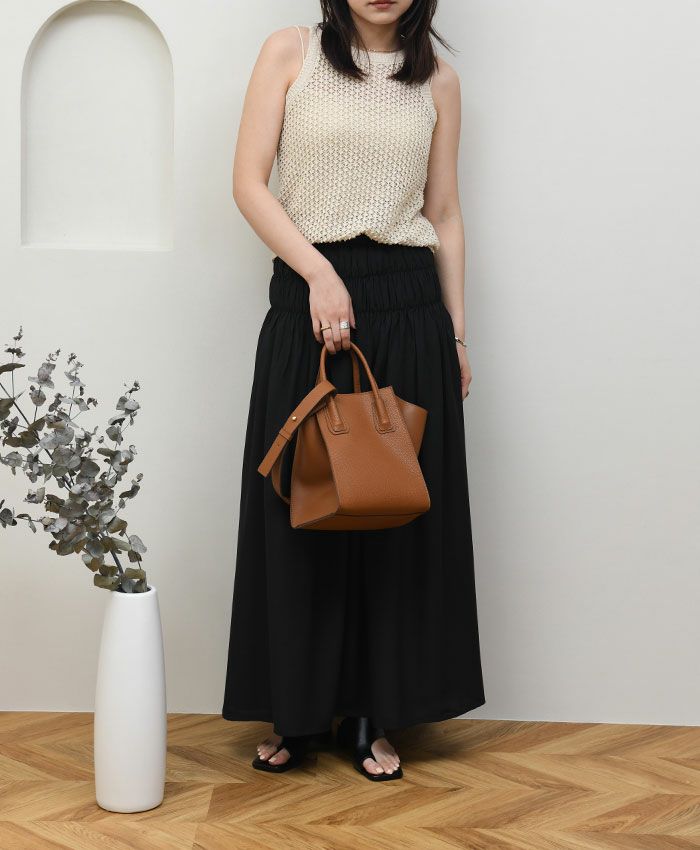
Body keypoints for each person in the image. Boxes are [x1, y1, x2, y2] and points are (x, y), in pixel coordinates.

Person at [222, 0, 485, 781]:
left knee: (391, 517)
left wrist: (457, 333)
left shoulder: (438, 80)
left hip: (409, 307)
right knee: (299, 508)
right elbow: (248, 184)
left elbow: (443, 212)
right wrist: (319, 273)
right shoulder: (289, 52)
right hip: (310, 303)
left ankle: (375, 712)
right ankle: (297, 712)